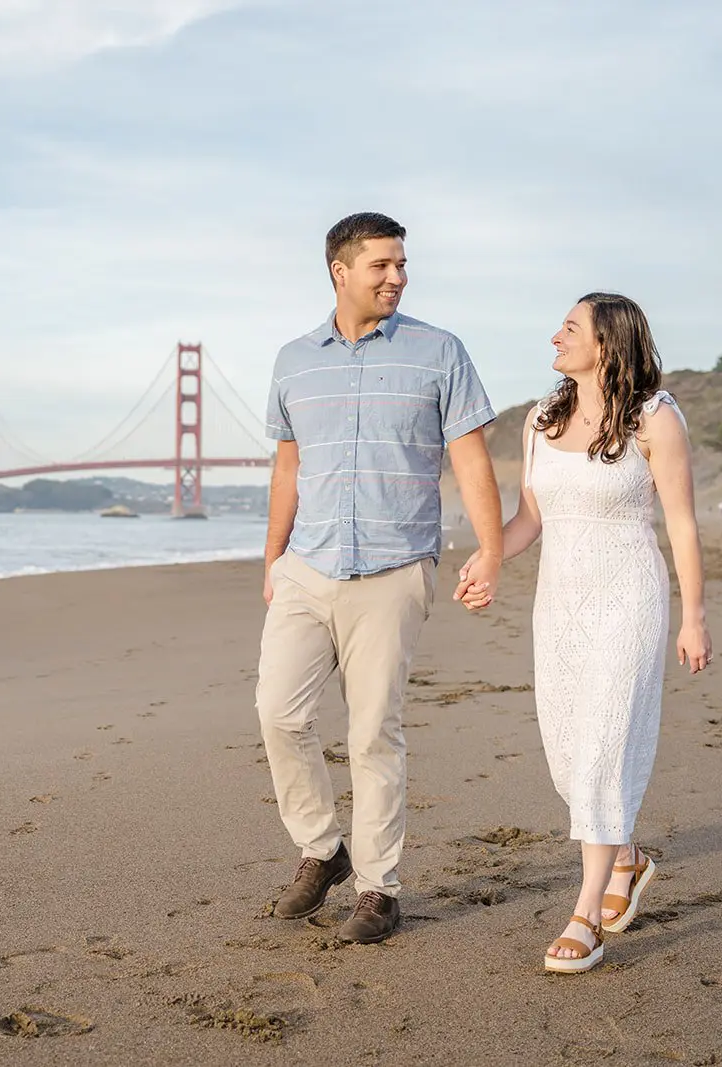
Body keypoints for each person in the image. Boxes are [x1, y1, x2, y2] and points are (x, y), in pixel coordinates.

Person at [255, 212, 503, 944]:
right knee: (278, 713)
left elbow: (470, 458)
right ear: (341, 271)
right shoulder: (293, 361)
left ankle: (378, 888)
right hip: (306, 566)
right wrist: (272, 559)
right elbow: (289, 468)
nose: (397, 277)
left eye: (402, 265)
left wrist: (490, 550)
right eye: (382, 265)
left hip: (395, 566)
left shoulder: (439, 351)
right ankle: (322, 848)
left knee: (372, 734)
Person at [464, 292, 711, 973]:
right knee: (569, 754)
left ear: (607, 342)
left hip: (629, 599)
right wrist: (489, 559)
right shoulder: (542, 419)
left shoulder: (654, 418)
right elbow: (529, 519)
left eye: (570, 328)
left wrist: (693, 616)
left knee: (603, 749)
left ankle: (585, 915)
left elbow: (682, 523)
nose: (555, 336)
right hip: (560, 605)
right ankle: (626, 856)